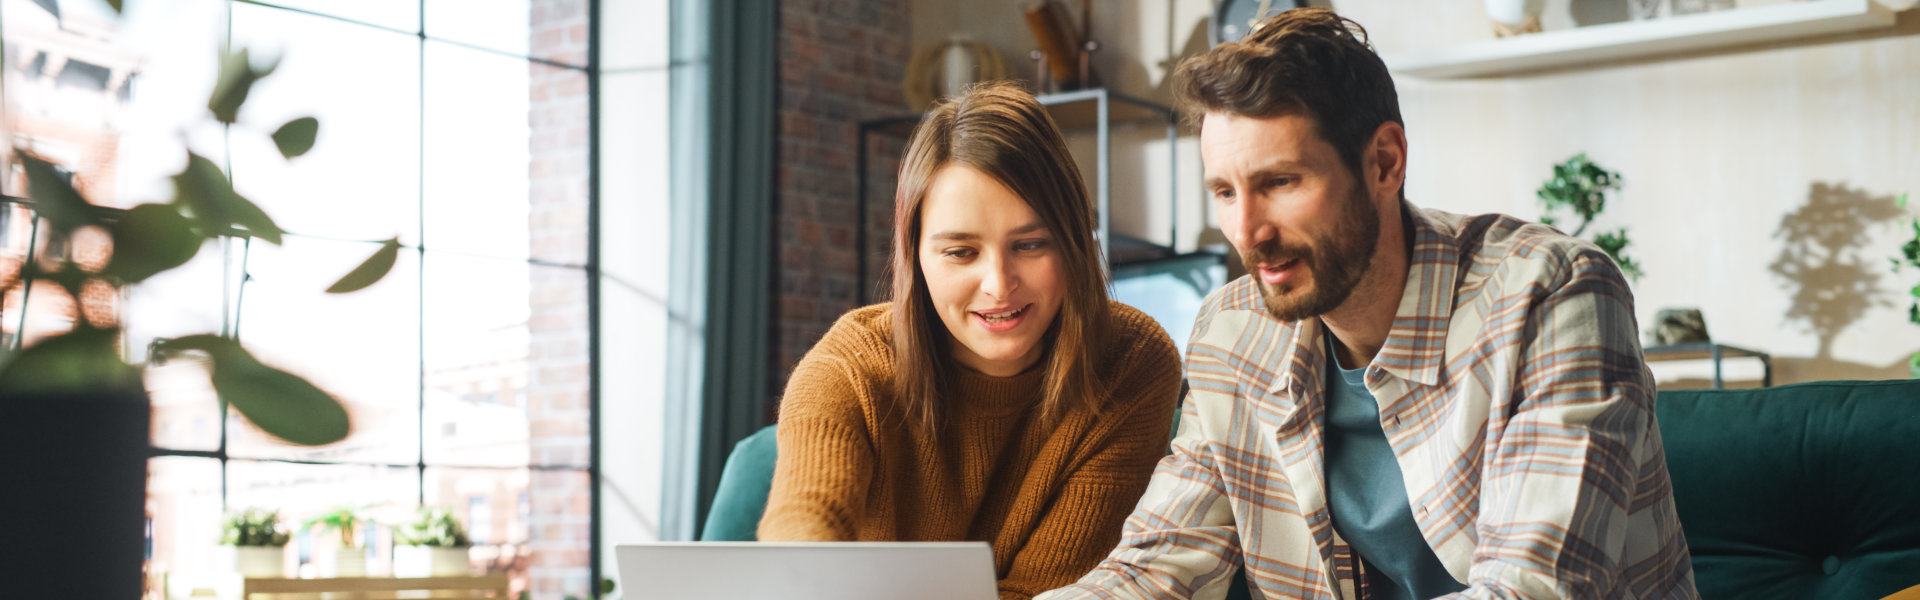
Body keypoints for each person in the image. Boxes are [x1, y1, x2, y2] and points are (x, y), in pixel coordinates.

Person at [1042, 9, 1698, 600]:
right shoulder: (1232, 331)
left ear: (1384, 162)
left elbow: (1533, 589)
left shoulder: (1550, 296)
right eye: (1224, 192)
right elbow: (1155, 566)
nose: (1247, 232)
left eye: (1280, 182)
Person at [757, 81, 1184, 600]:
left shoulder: (1130, 361)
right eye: (960, 252)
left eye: (1029, 244)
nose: (999, 284)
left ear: (1073, 240)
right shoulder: (849, 367)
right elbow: (801, 533)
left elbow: (1043, 592)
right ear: (915, 256)